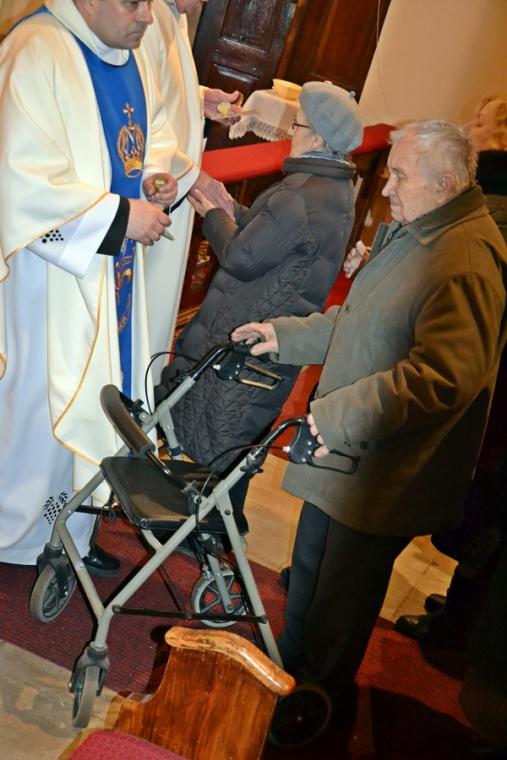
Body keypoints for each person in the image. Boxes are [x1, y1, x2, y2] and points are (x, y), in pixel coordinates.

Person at [231, 120, 507, 732]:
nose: (385, 188)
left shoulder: (463, 259)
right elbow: (361, 321)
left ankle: (313, 709)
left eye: (399, 175)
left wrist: (336, 415)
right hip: (346, 454)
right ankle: (289, 678)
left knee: (339, 603)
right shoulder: (425, 229)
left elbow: (443, 379)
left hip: (380, 468)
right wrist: (285, 335)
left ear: (443, 182)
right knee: (310, 577)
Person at [0, 0, 195, 572]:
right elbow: (18, 180)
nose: (147, 16)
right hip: (49, 280)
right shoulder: (36, 50)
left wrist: (155, 177)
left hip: (111, 271)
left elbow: (152, 131)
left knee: (101, 395)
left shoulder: (129, 54)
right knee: (44, 406)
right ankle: (18, 533)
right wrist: (120, 218)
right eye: (133, 2)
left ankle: (69, 532)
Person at [156, 81, 363, 526]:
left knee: (219, 430)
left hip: (248, 328)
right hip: (272, 337)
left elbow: (242, 256)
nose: (291, 133)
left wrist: (213, 215)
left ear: (319, 137)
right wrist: (231, 207)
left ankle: (208, 526)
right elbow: (275, 240)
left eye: (298, 125)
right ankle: (225, 519)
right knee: (240, 433)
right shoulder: (335, 188)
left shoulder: (301, 194)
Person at [393, 95, 507, 648]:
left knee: (483, 514)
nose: (469, 126)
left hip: (489, 394)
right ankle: (464, 611)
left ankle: (461, 625)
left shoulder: (492, 213)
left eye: (480, 123)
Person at [142, 0, 242, 375]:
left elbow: (166, 92)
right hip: (153, 189)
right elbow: (140, 111)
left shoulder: (175, 16)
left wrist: (201, 99)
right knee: (142, 302)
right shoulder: (144, 18)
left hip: (175, 183)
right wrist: (193, 175)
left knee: (156, 302)